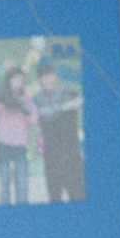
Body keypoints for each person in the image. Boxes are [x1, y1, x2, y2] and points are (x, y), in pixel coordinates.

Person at [34, 62, 85, 202]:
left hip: (72, 155)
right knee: (55, 198)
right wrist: (64, 107)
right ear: (40, 80)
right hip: (52, 157)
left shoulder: (69, 91)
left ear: (55, 76)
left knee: (78, 196)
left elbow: (82, 100)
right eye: (44, 77)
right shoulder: (38, 99)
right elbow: (43, 115)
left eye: (51, 75)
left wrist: (70, 104)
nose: (48, 79)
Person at [0, 66, 37, 204]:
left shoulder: (27, 100)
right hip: (3, 145)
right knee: (4, 183)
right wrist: (8, 100)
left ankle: (23, 212)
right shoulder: (1, 97)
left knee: (22, 183)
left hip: (20, 147)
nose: (18, 82)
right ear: (9, 81)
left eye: (21, 80)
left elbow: (34, 120)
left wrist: (24, 110)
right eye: (15, 79)